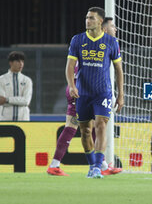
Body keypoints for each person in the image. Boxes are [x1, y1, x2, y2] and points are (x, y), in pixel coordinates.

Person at [46, 16, 122, 176]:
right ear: (105, 28)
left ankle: (100, 164)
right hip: (79, 90)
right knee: (73, 126)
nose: (115, 30)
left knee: (95, 126)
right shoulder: (86, 42)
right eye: (113, 27)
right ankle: (55, 164)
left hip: (88, 91)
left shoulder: (105, 44)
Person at [66, 7, 124, 179]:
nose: (87, 20)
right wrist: (71, 86)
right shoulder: (77, 40)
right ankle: (92, 165)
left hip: (103, 93)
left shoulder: (111, 42)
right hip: (82, 93)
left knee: (101, 126)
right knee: (84, 131)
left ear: (100, 21)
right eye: (86, 17)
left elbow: (119, 70)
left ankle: (98, 167)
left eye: (91, 18)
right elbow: (69, 66)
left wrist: (120, 94)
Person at [0, 51, 33, 121]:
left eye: (22, 61)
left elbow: (26, 101)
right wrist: (20, 101)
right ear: (10, 63)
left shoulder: (27, 80)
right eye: (18, 61)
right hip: (6, 119)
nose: (21, 64)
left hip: (23, 120)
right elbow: (1, 101)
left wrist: (7, 100)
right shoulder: (2, 80)